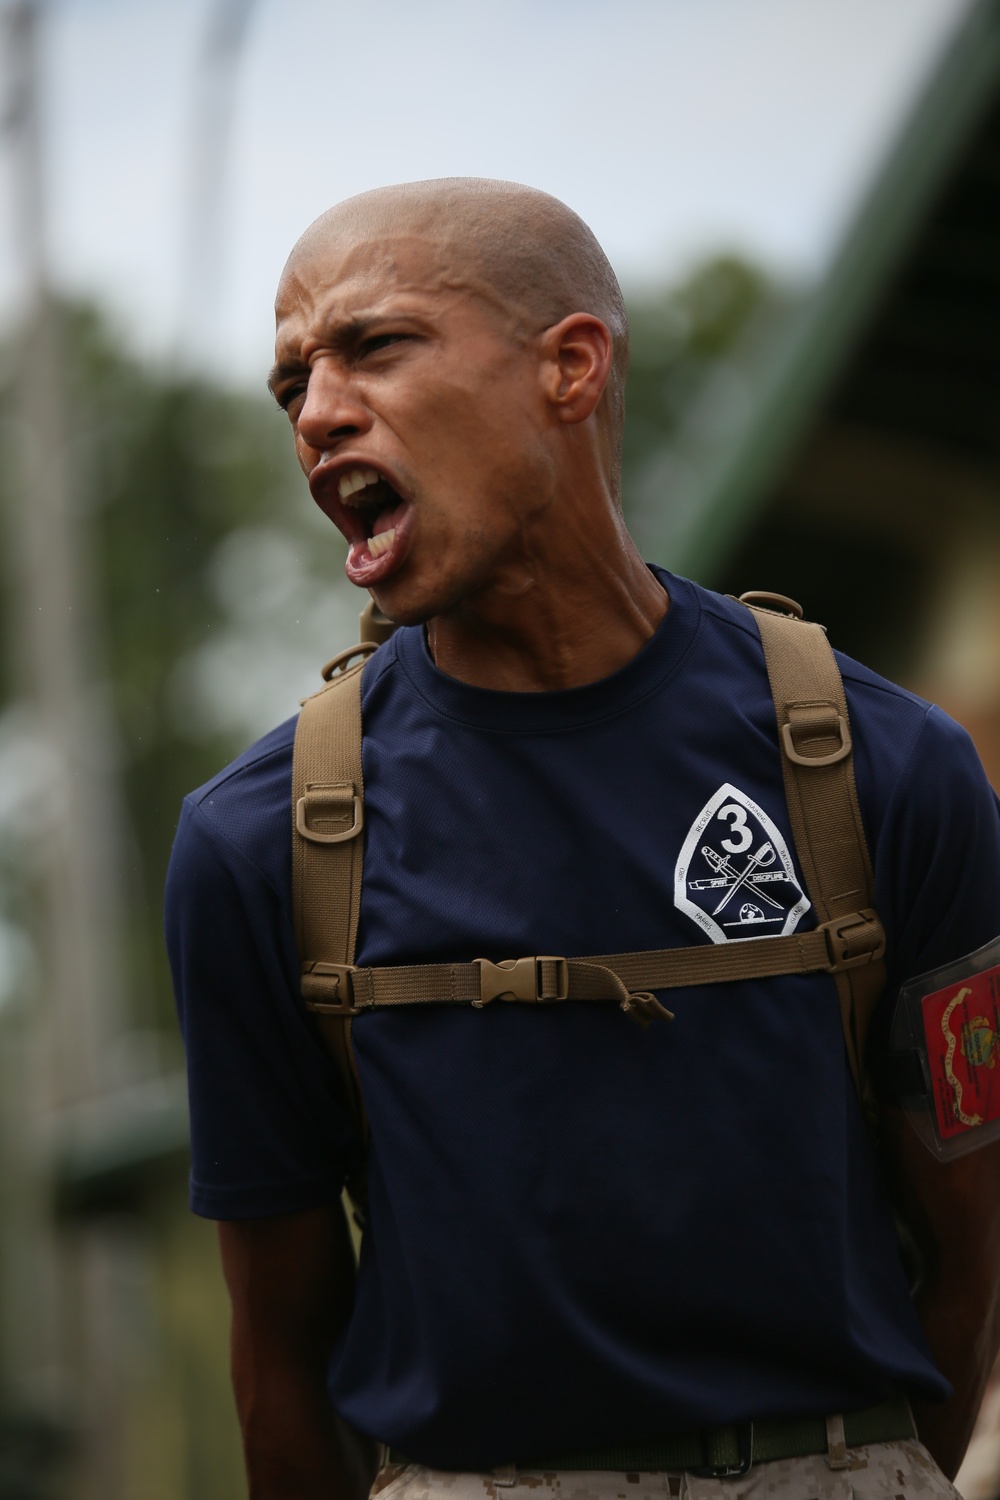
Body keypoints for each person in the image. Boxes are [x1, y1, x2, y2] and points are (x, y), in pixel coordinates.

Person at [165, 178, 1000, 1500]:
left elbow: (969, 1270)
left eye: (373, 347)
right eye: (291, 386)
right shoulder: (257, 842)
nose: (318, 413)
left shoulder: (886, 766)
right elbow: (278, 1368)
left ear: (571, 365)